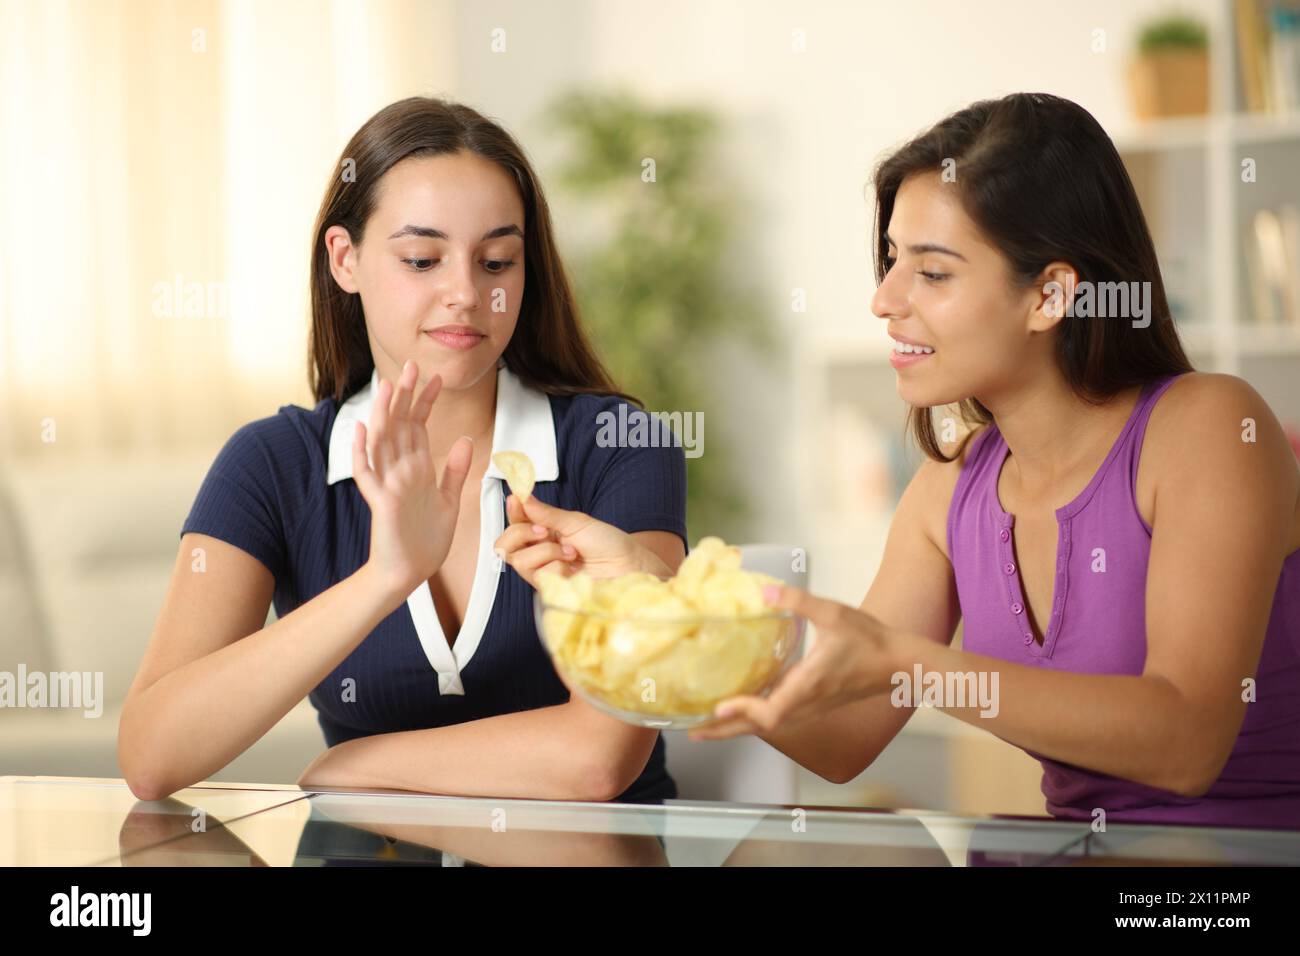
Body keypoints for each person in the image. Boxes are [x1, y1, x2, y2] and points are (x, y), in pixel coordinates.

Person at [567, 93, 1300, 829]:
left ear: (1050, 295)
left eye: (934, 272)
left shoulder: (1209, 428)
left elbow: (1186, 741)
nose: (885, 299)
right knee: (803, 850)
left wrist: (907, 661)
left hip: (1222, 885)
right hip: (1073, 855)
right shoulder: (949, 491)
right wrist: (659, 600)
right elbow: (843, 739)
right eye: (891, 261)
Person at [118, 96, 687, 805]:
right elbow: (153, 754)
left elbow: (597, 760)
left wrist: (349, 768)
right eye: (422, 259)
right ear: (345, 259)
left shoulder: (619, 445)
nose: (466, 294)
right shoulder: (274, 465)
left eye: (497, 262)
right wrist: (384, 578)